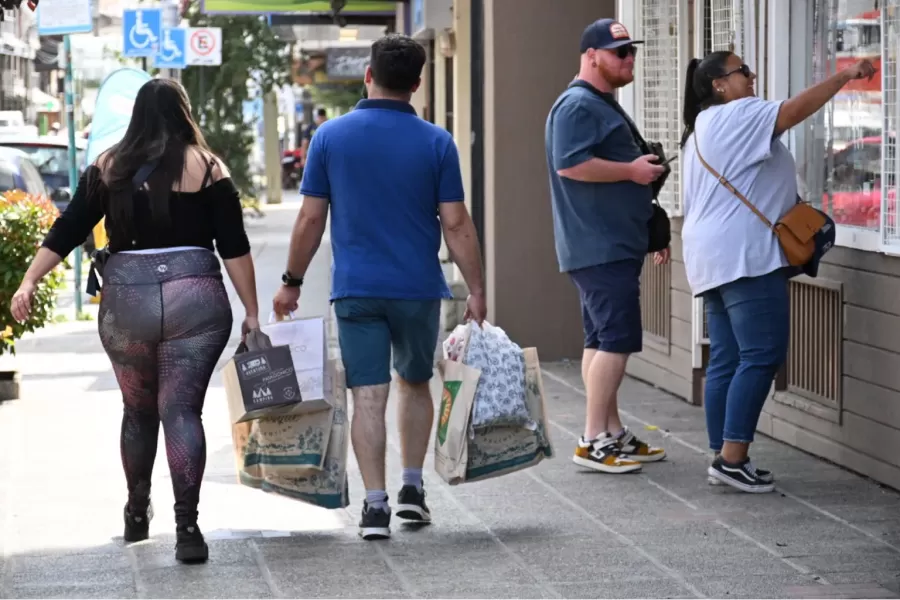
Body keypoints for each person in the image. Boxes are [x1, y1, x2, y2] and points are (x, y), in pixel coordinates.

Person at [10, 79, 260, 561]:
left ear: (136, 116)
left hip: (127, 301)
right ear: (184, 113)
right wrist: (251, 311)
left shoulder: (107, 168)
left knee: (138, 409)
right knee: (182, 411)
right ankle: (187, 529)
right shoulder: (208, 169)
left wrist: (29, 281)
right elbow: (234, 246)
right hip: (197, 299)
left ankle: (136, 510)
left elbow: (68, 229)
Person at [273, 33, 486, 540]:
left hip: (357, 290)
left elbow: (309, 219)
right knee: (415, 382)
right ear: (416, 84)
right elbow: (456, 223)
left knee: (368, 393)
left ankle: (374, 506)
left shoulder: (330, 137)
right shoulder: (437, 142)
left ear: (368, 75)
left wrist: (291, 282)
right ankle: (412, 490)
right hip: (417, 288)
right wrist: (475, 288)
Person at [680, 52, 875, 492]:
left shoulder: (699, 131)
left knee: (727, 358)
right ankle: (732, 459)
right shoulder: (740, 113)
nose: (751, 77)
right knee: (762, 353)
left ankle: (722, 454)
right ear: (719, 84)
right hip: (745, 255)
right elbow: (792, 111)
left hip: (711, 257)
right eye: (742, 71)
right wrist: (844, 74)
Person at [545, 18, 669, 475]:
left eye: (630, 51)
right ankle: (594, 439)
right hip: (600, 243)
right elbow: (570, 165)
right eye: (619, 52)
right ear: (591, 55)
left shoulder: (594, 103)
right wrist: (633, 172)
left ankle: (611, 432)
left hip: (607, 241)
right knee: (616, 340)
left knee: (601, 341)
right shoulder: (579, 105)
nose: (628, 59)